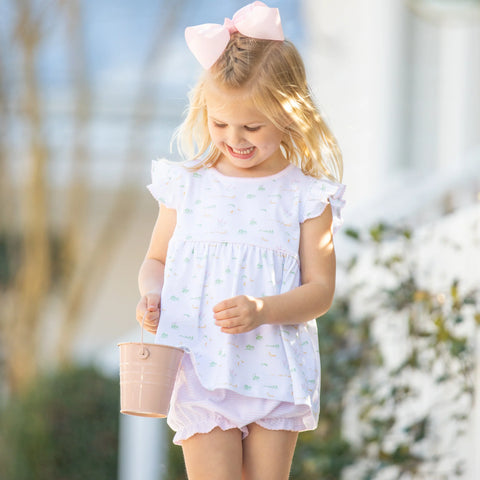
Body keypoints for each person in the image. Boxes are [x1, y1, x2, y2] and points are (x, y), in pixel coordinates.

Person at [135, 2, 345, 479]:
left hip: (275, 372)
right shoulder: (187, 184)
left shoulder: (307, 197)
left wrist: (263, 309)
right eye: (220, 124)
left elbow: (320, 291)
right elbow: (155, 260)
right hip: (200, 365)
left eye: (252, 126)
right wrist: (152, 294)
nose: (235, 138)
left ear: (291, 114)